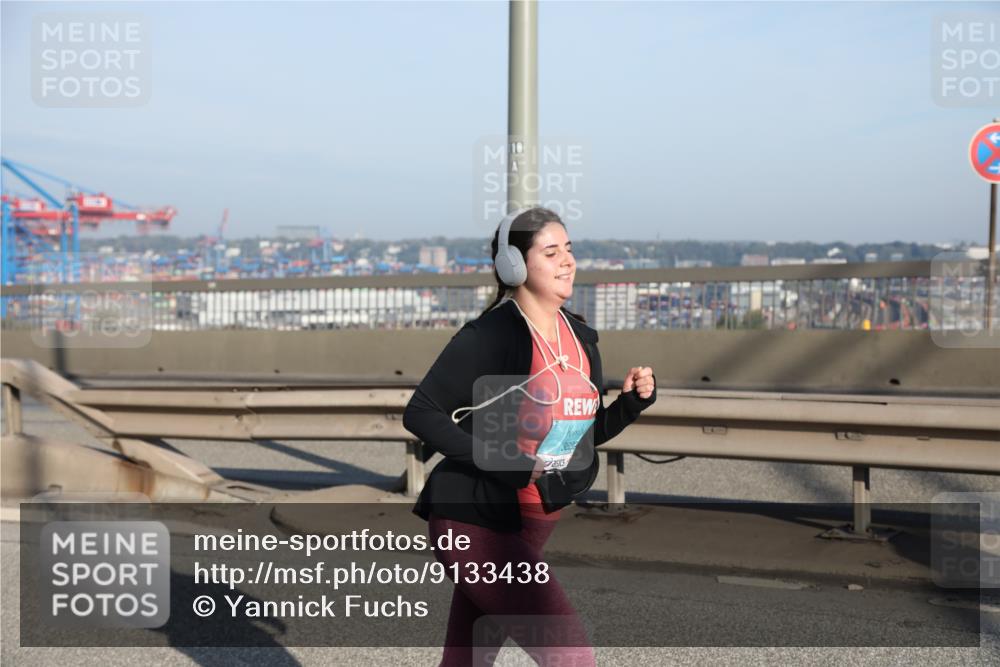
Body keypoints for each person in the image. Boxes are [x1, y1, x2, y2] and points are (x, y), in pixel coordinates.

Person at [402, 207, 657, 666]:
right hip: (475, 520)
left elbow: (579, 436)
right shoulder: (492, 335)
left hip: (532, 521)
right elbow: (421, 413)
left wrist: (629, 405)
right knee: (570, 654)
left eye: (569, 250)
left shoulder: (580, 339)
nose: (567, 261)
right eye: (551, 252)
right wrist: (507, 461)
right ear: (514, 265)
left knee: (467, 658)